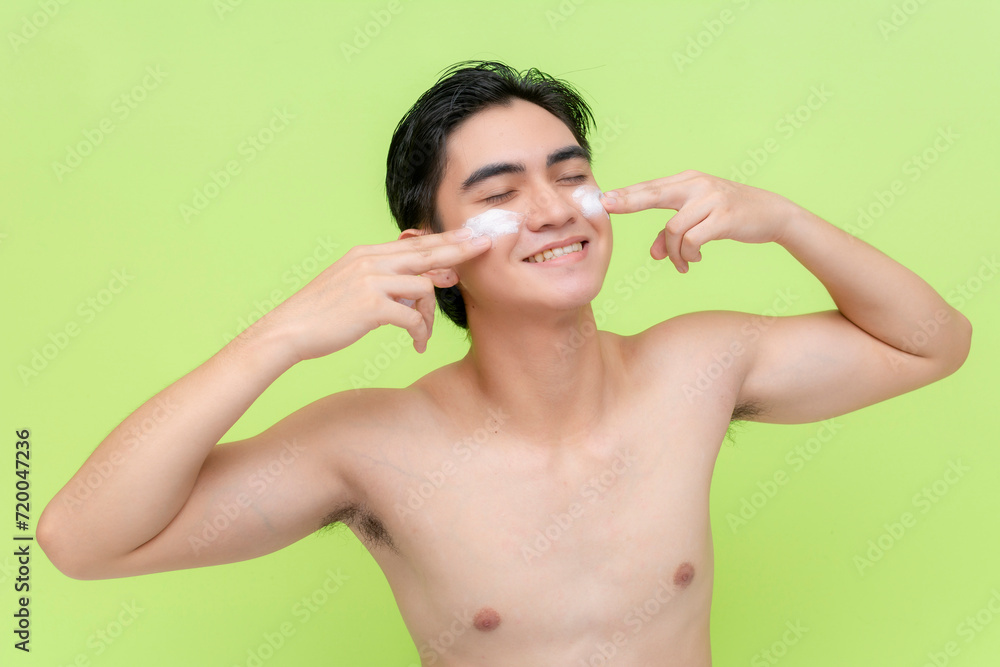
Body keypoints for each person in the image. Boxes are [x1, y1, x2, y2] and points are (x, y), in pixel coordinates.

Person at [38, 61, 972, 666]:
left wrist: (786, 220)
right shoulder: (369, 445)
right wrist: (279, 335)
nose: (555, 208)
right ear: (432, 252)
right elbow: (81, 540)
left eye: (570, 175)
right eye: (501, 192)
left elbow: (932, 341)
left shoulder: (699, 367)